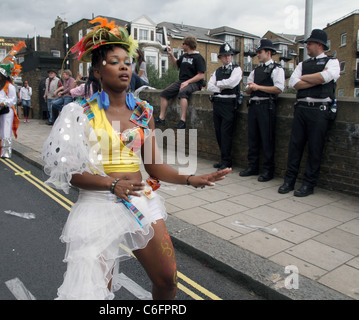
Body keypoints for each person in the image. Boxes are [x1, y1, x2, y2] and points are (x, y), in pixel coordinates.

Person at [42, 17, 231, 300]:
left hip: (140, 200)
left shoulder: (143, 112)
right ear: (96, 70)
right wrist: (110, 185)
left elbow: (153, 166)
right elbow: (70, 173)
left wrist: (190, 179)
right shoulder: (77, 113)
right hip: (97, 206)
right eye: (114, 61)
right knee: (94, 292)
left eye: (127, 61)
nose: (124, 67)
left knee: (167, 280)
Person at [278, 29, 340, 197]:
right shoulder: (302, 64)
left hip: (319, 111)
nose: (307, 46)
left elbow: (325, 78)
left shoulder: (332, 62)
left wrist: (306, 79)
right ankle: (289, 181)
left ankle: (308, 185)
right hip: (302, 109)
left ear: (319, 45)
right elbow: (293, 83)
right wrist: (316, 79)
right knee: (295, 147)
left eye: (310, 43)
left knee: (315, 148)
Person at [240, 39, 285, 182]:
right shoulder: (256, 70)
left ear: (268, 52)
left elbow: (278, 88)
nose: (257, 55)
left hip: (267, 106)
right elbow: (247, 89)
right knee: (252, 138)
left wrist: (257, 87)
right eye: (257, 52)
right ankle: (252, 166)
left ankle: (268, 170)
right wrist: (250, 88)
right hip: (254, 105)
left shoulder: (277, 69)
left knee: (267, 139)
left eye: (260, 52)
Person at [0, 41, 25, 159]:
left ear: (2, 76)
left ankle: (6, 152)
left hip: (7, 111)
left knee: (5, 131)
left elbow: (13, 100)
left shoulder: (10, 86)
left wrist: (5, 103)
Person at [155, 36, 206, 129]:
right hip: (182, 81)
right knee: (164, 93)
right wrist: (171, 54)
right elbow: (177, 65)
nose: (181, 46)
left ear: (188, 45)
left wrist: (187, 82)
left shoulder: (198, 58)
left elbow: (201, 75)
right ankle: (161, 118)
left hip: (195, 82)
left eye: (183, 44)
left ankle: (183, 121)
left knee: (183, 92)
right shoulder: (183, 56)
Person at [207, 43, 242, 171]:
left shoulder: (237, 69)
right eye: (225, 56)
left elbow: (232, 83)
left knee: (226, 133)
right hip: (217, 104)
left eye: (229, 55)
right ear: (220, 57)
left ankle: (227, 161)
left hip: (229, 104)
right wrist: (221, 86)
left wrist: (219, 85)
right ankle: (223, 159)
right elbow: (210, 86)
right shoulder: (217, 71)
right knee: (219, 133)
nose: (227, 58)